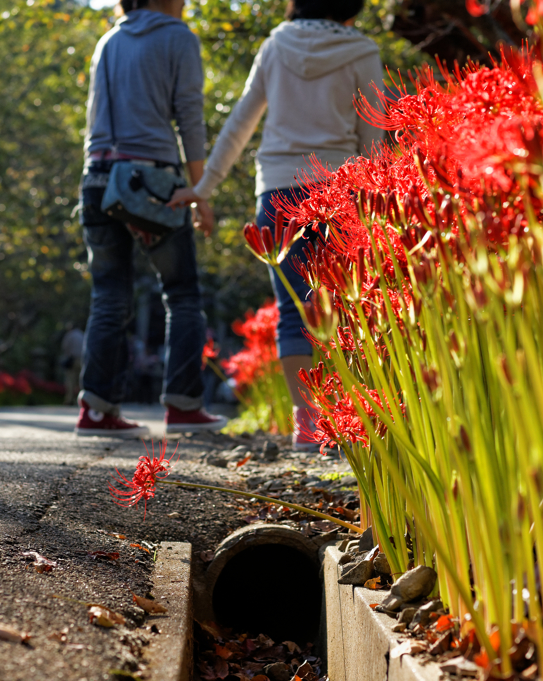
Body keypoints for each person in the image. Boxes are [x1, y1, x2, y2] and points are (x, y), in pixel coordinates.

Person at [169, 0, 384, 450]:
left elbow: (241, 122)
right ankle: (344, 423)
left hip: (279, 191)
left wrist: (205, 187)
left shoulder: (275, 45)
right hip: (340, 189)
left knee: (294, 311)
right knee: (345, 308)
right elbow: (374, 135)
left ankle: (306, 424)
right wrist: (377, 203)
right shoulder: (362, 50)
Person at [76, 0, 227, 438]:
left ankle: (97, 410)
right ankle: (183, 405)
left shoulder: (109, 40)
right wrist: (201, 193)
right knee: (182, 294)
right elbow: (190, 120)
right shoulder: (178, 37)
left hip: (98, 178)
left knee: (108, 295)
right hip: (153, 179)